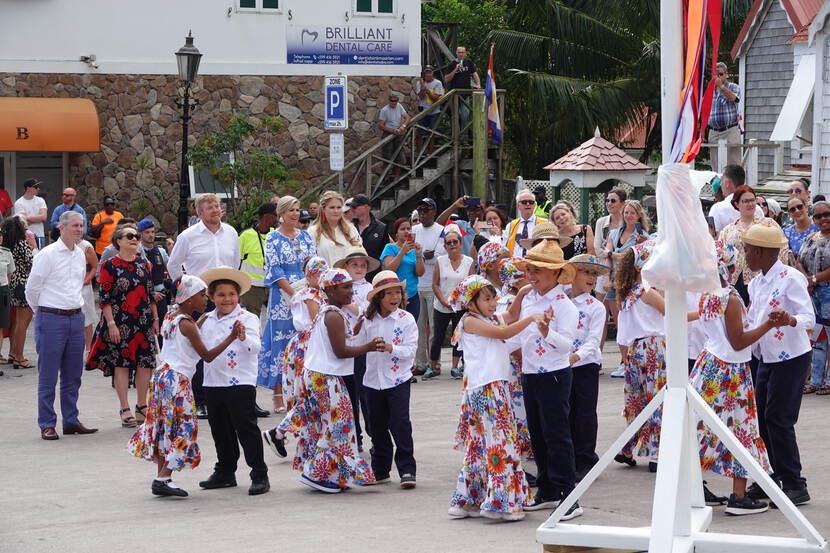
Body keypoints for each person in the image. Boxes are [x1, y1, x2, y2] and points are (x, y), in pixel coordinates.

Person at [127, 275, 245, 497]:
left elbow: (185, 336)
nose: (206, 300)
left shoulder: (170, 317)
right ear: (189, 298)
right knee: (185, 428)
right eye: (202, 296)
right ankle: (163, 477)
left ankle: (163, 476)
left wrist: (199, 322)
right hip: (177, 380)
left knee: (164, 427)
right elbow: (207, 356)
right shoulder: (187, 324)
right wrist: (231, 337)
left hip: (162, 376)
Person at [690, 240, 781, 516]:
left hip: (709, 364)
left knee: (700, 427)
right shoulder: (728, 297)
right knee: (742, 430)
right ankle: (738, 497)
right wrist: (768, 324)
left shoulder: (707, 294)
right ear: (727, 266)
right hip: (730, 371)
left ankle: (693, 487)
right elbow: (739, 342)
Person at [446, 275, 540, 521]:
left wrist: (520, 295)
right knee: (502, 443)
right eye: (486, 299)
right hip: (488, 389)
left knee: (478, 446)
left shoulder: (484, 318)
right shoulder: (470, 321)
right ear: (471, 301)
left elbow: (509, 316)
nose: (493, 303)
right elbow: (505, 331)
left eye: (493, 298)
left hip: (485, 387)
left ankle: (469, 500)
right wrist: (531, 318)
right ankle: (502, 504)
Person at [282, 269, 383, 493]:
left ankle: (336, 474)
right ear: (330, 290)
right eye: (345, 287)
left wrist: (354, 332)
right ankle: (317, 474)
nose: (350, 291)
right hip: (325, 377)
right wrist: (367, 347)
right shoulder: (333, 315)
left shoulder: (331, 312)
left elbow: (337, 342)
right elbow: (340, 351)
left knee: (335, 424)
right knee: (337, 425)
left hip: (320, 374)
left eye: (351, 286)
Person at [506, 239, 581, 519]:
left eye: (538, 269)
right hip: (530, 373)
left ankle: (569, 497)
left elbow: (567, 346)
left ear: (556, 273)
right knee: (537, 434)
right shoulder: (528, 298)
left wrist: (547, 332)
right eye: (529, 268)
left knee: (557, 435)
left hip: (554, 375)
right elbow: (518, 333)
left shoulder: (564, 305)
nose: (531, 274)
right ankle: (547, 489)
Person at [743, 225, 813, 506]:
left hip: (792, 357)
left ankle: (795, 483)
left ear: (760, 251)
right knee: (761, 419)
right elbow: (753, 321)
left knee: (779, 419)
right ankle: (769, 477)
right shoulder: (755, 283)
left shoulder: (791, 278)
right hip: (765, 358)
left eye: (747, 249)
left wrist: (790, 319)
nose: (745, 254)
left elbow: (809, 316)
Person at [197, 266, 270, 496]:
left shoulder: (246, 318)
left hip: (240, 382)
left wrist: (242, 336)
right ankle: (225, 471)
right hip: (213, 381)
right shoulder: (206, 320)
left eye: (231, 294)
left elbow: (255, 348)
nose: (227, 299)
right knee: (220, 429)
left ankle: (259, 473)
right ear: (211, 297)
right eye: (221, 294)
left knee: (246, 428)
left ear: (239, 296)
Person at [168, 193, 241, 419]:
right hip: (201, 301)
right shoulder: (188, 236)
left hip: (227, 298)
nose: (215, 210)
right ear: (199, 213)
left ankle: (233, 396)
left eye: (217, 206)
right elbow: (173, 267)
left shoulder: (231, 233)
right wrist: (188, 294)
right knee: (201, 350)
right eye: (210, 207)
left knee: (231, 345)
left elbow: (236, 262)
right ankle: (200, 400)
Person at [25, 211, 97, 440]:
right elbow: (31, 289)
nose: (79, 230)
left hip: (76, 317)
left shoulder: (80, 254)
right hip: (51, 317)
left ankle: (71, 420)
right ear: (61, 228)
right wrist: (44, 312)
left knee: (73, 374)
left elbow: (77, 286)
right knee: (48, 374)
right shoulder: (46, 255)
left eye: (81, 226)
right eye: (74, 226)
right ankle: (47, 423)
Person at [85, 223, 159, 428]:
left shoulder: (144, 264)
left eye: (136, 236)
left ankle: (142, 405)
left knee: (146, 363)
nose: (135, 239)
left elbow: (150, 294)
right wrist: (111, 324)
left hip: (143, 321)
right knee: (122, 363)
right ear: (119, 241)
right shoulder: (109, 265)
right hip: (121, 321)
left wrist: (155, 319)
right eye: (129, 236)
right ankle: (124, 406)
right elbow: (105, 297)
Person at [355, 271, 418, 488]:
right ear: (378, 297)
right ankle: (380, 470)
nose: (394, 298)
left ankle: (407, 469)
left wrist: (391, 348)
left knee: (400, 424)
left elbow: (411, 351)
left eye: (397, 293)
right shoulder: (367, 319)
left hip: (398, 379)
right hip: (372, 381)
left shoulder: (406, 319)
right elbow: (356, 344)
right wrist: (355, 332)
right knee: (376, 426)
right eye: (388, 293)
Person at [261, 256, 328, 460]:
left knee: (312, 395)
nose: (321, 276)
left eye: (324, 272)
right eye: (316, 272)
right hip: (307, 346)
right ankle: (280, 432)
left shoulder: (316, 293)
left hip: (308, 345)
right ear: (308, 274)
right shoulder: (309, 295)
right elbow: (318, 321)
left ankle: (284, 433)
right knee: (309, 395)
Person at [257, 196, 316, 413]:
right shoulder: (272, 238)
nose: (295, 213)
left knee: (305, 340)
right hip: (282, 296)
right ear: (281, 213)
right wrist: (293, 293)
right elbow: (274, 269)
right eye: (291, 210)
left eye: (298, 209)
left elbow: (313, 264)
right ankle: (278, 395)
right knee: (281, 343)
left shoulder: (307, 237)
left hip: (306, 291)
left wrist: (308, 290)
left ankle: (303, 390)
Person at [612, 242, 665, 471]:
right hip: (653, 347)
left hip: (634, 350)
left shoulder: (627, 296)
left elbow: (622, 336)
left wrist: (626, 359)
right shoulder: (646, 292)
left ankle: (627, 447)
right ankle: (656, 454)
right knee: (657, 398)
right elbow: (670, 312)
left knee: (637, 400)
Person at [567, 255, 609, 481]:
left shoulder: (596, 307)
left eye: (594, 274)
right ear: (573, 274)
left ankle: (585, 457)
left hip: (585, 364)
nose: (591, 278)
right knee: (567, 411)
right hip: (563, 364)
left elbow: (593, 340)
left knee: (584, 412)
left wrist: (576, 356)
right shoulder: (562, 300)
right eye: (586, 272)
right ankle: (570, 456)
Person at [334, 246, 380, 451]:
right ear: (346, 267)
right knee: (348, 394)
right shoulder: (337, 287)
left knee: (365, 393)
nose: (359, 268)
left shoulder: (369, 288)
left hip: (361, 345)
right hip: (343, 345)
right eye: (355, 265)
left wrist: (347, 303)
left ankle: (374, 434)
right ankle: (355, 436)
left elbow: (367, 311)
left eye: (363, 265)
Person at [602, 200, 650, 376]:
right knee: (620, 323)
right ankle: (625, 362)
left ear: (638, 216)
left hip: (630, 282)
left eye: (632, 213)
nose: (628, 216)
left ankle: (629, 361)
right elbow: (608, 256)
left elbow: (629, 257)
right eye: (626, 213)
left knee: (630, 322)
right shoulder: (614, 233)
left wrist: (610, 253)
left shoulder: (642, 235)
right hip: (614, 281)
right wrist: (606, 278)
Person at [718, 185, 787, 305]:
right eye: (745, 201)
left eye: (752, 200)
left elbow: (782, 248)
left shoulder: (768, 224)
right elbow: (720, 254)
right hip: (735, 279)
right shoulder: (728, 230)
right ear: (737, 204)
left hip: (761, 276)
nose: (750, 204)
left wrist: (777, 273)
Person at [796, 201, 830, 394]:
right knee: (817, 337)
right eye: (817, 216)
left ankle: (829, 381)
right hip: (813, 293)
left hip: (828, 292)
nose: (822, 219)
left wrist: (814, 279)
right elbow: (799, 259)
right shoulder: (810, 237)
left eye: (826, 214)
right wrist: (807, 280)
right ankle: (816, 381)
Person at [430, 229, 474, 379]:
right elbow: (435, 284)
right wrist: (443, 300)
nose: (452, 245)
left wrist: (459, 302)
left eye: (455, 241)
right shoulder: (440, 261)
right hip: (441, 305)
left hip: (460, 306)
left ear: (461, 244)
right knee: (438, 337)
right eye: (449, 242)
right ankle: (432, 367)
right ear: (445, 246)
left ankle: (454, 367)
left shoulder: (469, 262)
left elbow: (470, 285)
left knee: (458, 336)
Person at [411, 198, 445, 375]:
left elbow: (442, 253)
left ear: (434, 211)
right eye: (420, 210)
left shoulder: (441, 230)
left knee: (434, 328)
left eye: (426, 210)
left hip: (433, 284)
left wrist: (425, 255)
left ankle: (435, 363)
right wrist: (423, 256)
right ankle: (420, 364)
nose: (423, 213)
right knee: (418, 328)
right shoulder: (414, 230)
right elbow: (410, 251)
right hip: (417, 284)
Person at [380, 217, 424, 324]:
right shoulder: (390, 247)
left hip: (412, 295)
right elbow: (390, 269)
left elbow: (420, 273)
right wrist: (403, 251)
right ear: (396, 233)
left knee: (410, 326)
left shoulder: (415, 249)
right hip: (393, 296)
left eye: (408, 229)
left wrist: (418, 255)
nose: (406, 231)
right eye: (402, 229)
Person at [238, 202, 278, 318]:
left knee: (275, 318)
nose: (277, 218)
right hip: (252, 287)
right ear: (266, 216)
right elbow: (236, 261)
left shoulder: (275, 234)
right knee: (251, 320)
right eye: (275, 215)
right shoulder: (246, 236)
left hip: (272, 284)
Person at [6, 216, 35, 370]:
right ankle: (19, 357)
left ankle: (13, 353)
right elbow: (32, 263)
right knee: (23, 322)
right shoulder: (22, 244)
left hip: (12, 284)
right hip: (24, 284)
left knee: (17, 321)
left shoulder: (7, 244)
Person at [308, 190, 361, 266]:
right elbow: (308, 261)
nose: (336, 211)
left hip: (349, 276)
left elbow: (360, 255)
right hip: (323, 276)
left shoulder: (351, 229)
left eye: (339, 207)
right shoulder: (313, 231)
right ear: (323, 209)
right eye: (332, 207)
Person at [136, 219, 169, 341]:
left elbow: (170, 267)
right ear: (140, 234)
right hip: (142, 295)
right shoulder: (136, 251)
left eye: (153, 232)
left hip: (160, 293)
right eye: (147, 232)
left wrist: (171, 249)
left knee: (162, 327)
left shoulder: (160, 250)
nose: (151, 235)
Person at [709, 165, 762, 234]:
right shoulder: (758, 209)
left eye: (721, 180)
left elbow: (712, 237)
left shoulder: (718, 209)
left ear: (728, 183)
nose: (720, 184)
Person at [708, 62, 742, 170]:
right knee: (715, 165)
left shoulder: (733, 87)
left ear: (726, 74)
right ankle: (718, 186)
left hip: (730, 130)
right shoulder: (710, 90)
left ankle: (735, 186)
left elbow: (734, 98)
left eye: (720, 74)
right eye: (716, 74)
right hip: (714, 131)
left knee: (733, 164)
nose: (718, 77)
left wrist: (721, 87)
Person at [442, 45, 481, 137]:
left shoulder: (469, 63)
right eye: (459, 52)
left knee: (465, 116)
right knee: (455, 116)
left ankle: (463, 138)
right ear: (456, 53)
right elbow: (446, 79)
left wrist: (478, 84)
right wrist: (456, 69)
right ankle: (456, 137)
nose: (461, 54)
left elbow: (474, 74)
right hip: (455, 94)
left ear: (465, 53)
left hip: (465, 93)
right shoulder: (451, 65)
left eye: (463, 52)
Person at [350, 194, 387, 281]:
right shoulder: (348, 227)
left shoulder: (381, 227)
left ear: (366, 207)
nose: (352, 210)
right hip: (352, 276)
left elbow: (385, 255)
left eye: (355, 207)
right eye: (351, 207)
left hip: (374, 276)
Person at [503, 189, 548, 257]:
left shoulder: (545, 224)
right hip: (514, 265)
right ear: (518, 205)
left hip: (536, 265)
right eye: (524, 202)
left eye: (531, 202)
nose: (528, 204)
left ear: (534, 205)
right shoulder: (510, 226)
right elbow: (504, 248)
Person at [378, 93, 411, 176]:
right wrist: (392, 131)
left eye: (396, 101)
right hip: (388, 133)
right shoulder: (384, 110)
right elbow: (380, 125)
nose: (394, 103)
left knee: (400, 155)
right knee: (387, 156)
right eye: (392, 101)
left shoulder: (399, 106)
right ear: (389, 101)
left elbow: (407, 117)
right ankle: (386, 177)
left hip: (398, 132)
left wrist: (403, 127)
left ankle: (397, 177)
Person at [415, 65, 444, 154]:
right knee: (419, 134)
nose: (427, 74)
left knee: (431, 134)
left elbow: (435, 99)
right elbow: (420, 97)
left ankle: (430, 153)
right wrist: (422, 89)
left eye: (429, 72)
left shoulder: (437, 83)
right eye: (426, 72)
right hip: (423, 111)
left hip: (434, 112)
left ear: (432, 73)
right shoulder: (419, 83)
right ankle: (419, 153)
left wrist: (427, 89)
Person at [14, 178, 48, 248]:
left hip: (39, 235)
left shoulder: (41, 200)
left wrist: (27, 218)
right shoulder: (19, 203)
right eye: (36, 187)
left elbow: (44, 217)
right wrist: (38, 218)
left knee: (40, 258)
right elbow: (23, 222)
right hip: (26, 237)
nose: (38, 189)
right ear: (28, 188)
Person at [0, 229, 14, 371]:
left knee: (1, 326)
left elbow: (9, 273)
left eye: (0, 236)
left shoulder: (6, 253)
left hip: (2, 290)